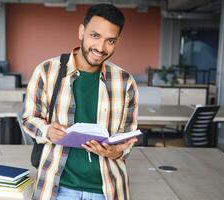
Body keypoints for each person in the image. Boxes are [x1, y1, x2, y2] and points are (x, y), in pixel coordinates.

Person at [22, 3, 139, 200]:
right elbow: (28, 119)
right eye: (95, 36)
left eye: (110, 41)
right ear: (81, 32)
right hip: (57, 188)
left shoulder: (125, 81)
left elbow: (127, 136)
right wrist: (47, 130)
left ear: (117, 41)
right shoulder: (47, 71)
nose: (101, 48)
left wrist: (116, 152)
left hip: (108, 189)